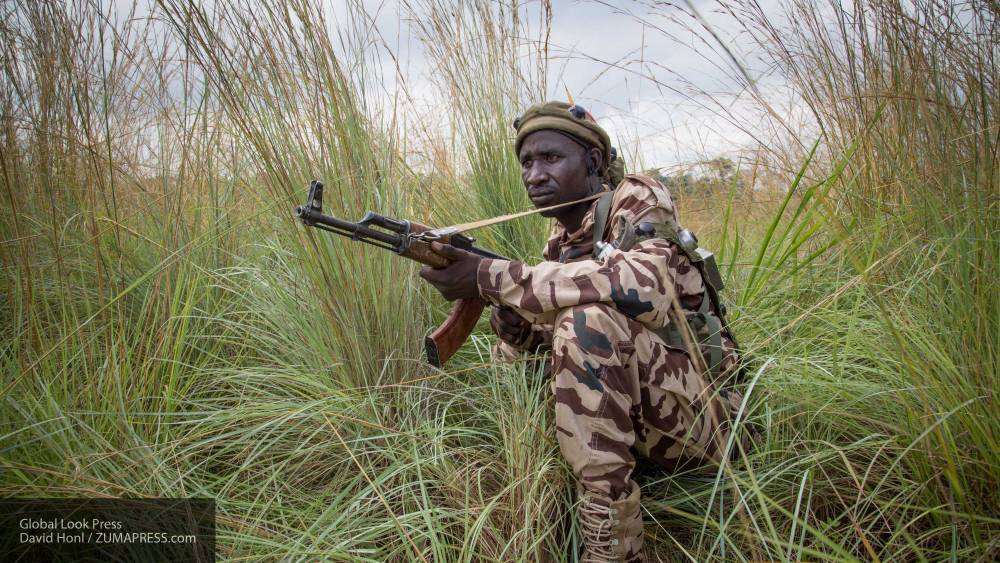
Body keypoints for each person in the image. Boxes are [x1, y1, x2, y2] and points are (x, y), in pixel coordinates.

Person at [419, 101, 747, 562]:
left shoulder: (636, 198)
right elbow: (581, 342)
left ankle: (613, 549)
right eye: (527, 163)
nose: (534, 175)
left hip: (716, 421)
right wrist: (522, 333)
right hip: (661, 413)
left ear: (592, 162)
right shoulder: (561, 240)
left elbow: (644, 291)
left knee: (585, 322)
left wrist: (491, 276)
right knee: (519, 349)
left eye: (551, 158)